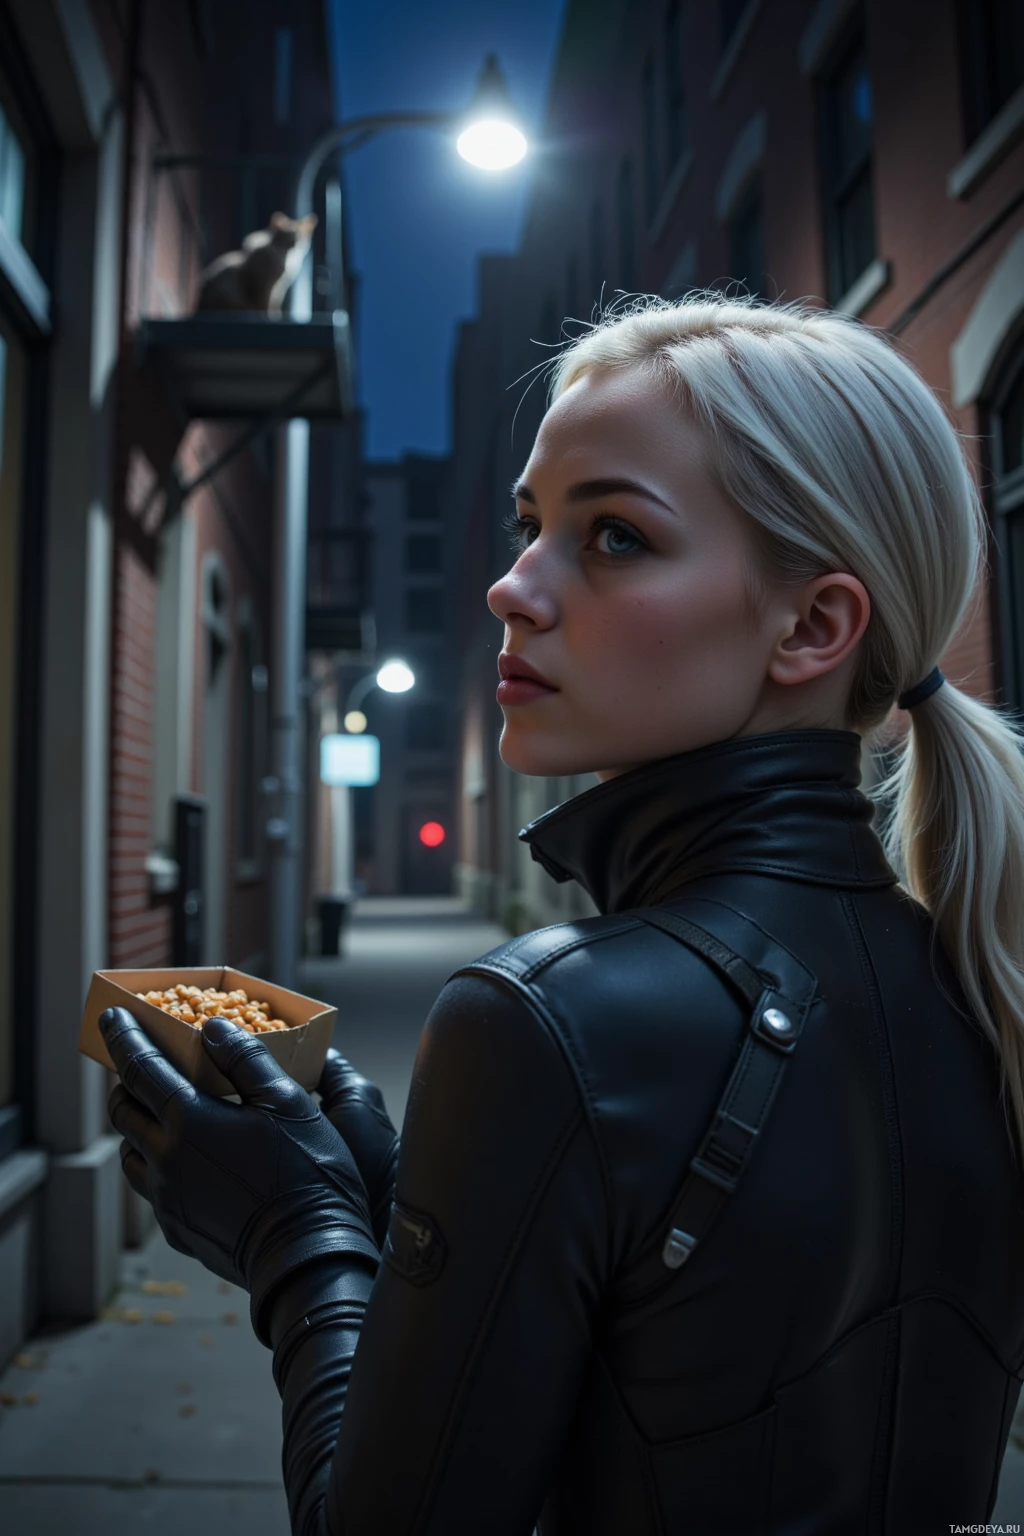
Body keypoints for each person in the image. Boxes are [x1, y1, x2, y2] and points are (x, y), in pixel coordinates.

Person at [100, 293, 1024, 1534]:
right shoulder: (981, 982)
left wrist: (296, 1235)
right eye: (529, 524)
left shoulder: (549, 1020)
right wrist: (408, 1202)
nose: (510, 588)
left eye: (614, 537)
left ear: (811, 626)